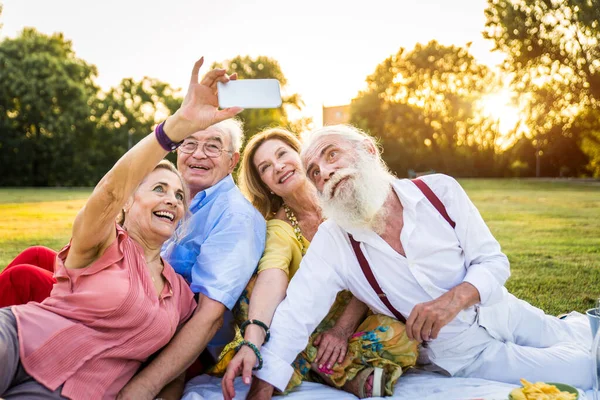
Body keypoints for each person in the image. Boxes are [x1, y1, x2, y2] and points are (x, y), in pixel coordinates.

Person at [239, 124, 594, 398]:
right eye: (314, 171)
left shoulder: (439, 191)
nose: (324, 172)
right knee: (584, 369)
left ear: (367, 151)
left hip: (505, 310)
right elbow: (295, 314)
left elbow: (493, 262)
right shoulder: (335, 241)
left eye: (332, 156)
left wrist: (452, 300)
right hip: (466, 353)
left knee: (581, 335)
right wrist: (263, 385)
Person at [0, 58, 243, 399]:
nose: (171, 199)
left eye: (178, 195)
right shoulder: (102, 241)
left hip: (78, 392)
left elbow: (175, 366)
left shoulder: (180, 296)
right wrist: (176, 127)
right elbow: (111, 189)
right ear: (128, 202)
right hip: (17, 338)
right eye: (158, 189)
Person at [217, 128, 418, 400]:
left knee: (401, 335)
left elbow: (372, 268)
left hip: (356, 310)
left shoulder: (346, 195)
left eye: (282, 154)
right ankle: (329, 370)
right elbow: (272, 273)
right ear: (265, 184)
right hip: (305, 319)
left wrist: (342, 330)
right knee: (256, 295)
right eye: (265, 167)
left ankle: (313, 365)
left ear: (302, 156)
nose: (278, 167)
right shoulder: (279, 228)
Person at [117, 95, 266, 399]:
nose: (199, 153)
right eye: (189, 143)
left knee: (26, 276)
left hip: (180, 347)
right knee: (37, 261)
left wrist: (147, 385)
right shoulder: (179, 199)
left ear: (232, 160)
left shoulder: (234, 217)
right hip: (133, 304)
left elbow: (209, 318)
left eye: (213, 145)